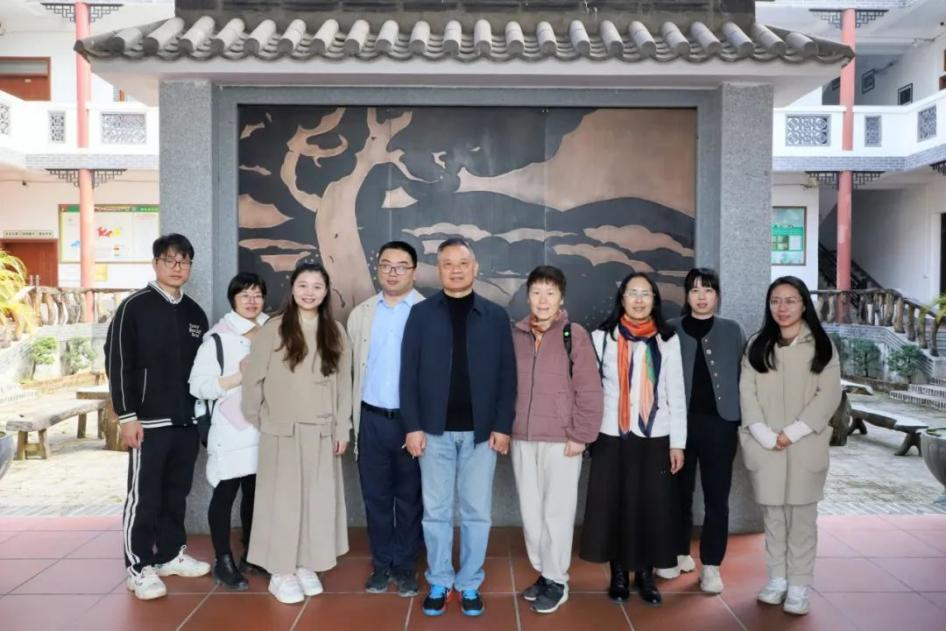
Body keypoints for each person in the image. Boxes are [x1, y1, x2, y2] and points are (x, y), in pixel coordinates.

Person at [400, 237, 516, 617]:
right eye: (447, 263)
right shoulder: (421, 314)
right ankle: (439, 580)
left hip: (481, 434)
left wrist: (502, 425)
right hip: (432, 431)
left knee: (476, 512)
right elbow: (408, 374)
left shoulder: (495, 316)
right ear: (438, 270)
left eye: (462, 263)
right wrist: (412, 426)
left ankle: (469, 584)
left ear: (475, 268)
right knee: (435, 511)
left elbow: (508, 376)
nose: (455, 270)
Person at [105, 233, 211, 601]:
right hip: (147, 422)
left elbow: (204, 370)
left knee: (175, 494)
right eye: (170, 260)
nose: (177, 267)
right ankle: (138, 567)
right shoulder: (134, 307)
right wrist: (127, 416)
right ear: (155, 263)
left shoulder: (195, 313)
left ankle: (169, 555)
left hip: (185, 422)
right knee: (144, 497)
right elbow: (118, 363)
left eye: (184, 261)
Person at [241, 262, 353, 605]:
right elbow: (253, 380)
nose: (309, 292)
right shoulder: (274, 329)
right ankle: (281, 571)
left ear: (326, 291)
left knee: (316, 501)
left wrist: (342, 426)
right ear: (292, 288)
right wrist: (262, 419)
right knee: (282, 502)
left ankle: (306, 563)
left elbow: (343, 386)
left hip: (321, 430)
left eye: (317, 286)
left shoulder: (335, 331)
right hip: (282, 430)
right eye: (303, 285)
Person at [579, 272, 687, 607]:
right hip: (612, 434)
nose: (639, 300)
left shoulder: (668, 339)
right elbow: (590, 390)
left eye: (645, 294)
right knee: (615, 504)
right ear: (621, 298)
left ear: (654, 300)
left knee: (651, 505)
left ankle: (645, 574)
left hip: (655, 434)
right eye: (632, 293)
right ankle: (618, 573)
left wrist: (677, 443)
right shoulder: (602, 338)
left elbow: (675, 393)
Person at [740, 275, 840, 616]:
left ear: (803, 304)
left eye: (790, 300)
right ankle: (777, 579)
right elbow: (746, 392)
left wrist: (792, 432)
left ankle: (798, 585)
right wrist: (763, 434)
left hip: (803, 445)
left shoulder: (821, 346)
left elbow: (828, 395)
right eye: (775, 301)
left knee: (802, 519)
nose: (782, 308)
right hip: (765, 446)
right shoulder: (757, 345)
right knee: (773, 517)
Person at [510, 266, 602, 614]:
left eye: (550, 292)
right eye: (536, 292)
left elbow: (590, 389)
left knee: (557, 514)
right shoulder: (516, 334)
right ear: (528, 296)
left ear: (561, 297)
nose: (543, 299)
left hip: (562, 440)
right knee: (531, 514)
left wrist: (581, 435)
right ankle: (545, 572)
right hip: (522, 437)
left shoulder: (573, 335)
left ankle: (557, 580)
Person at [657, 268, 745, 593]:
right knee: (678, 493)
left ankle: (711, 566)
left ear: (717, 294)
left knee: (716, 497)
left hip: (720, 426)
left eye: (708, 290)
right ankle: (678, 552)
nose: (702, 296)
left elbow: (744, 376)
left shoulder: (733, 330)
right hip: (679, 426)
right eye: (695, 290)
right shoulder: (670, 329)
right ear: (687, 295)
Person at [347, 241, 425, 597]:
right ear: (378, 268)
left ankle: (406, 566)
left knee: (410, 498)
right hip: (371, 419)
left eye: (401, 266)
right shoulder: (361, 314)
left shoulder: (428, 311)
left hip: (412, 423)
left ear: (414, 271)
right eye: (386, 265)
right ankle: (381, 563)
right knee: (375, 497)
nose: (393, 272)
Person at [188, 272, 269, 590]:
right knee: (225, 492)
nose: (252, 300)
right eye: (244, 294)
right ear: (233, 299)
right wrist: (238, 376)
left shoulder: (273, 331)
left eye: (257, 294)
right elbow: (197, 386)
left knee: (255, 492)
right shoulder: (217, 339)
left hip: (265, 426)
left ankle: (252, 554)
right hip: (231, 428)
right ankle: (223, 560)